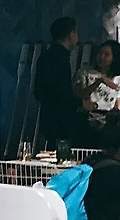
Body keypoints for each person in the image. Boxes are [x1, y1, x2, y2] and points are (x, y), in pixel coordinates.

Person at [34, 16, 84, 149]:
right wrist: (81, 103)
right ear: (71, 34)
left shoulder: (45, 56)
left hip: (48, 117)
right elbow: (62, 92)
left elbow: (38, 92)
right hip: (61, 119)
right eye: (76, 32)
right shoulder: (61, 59)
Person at [77, 40, 120, 125]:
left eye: (106, 54)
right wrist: (99, 81)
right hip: (88, 118)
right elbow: (82, 95)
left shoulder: (118, 79)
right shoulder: (85, 73)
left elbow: (118, 106)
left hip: (108, 120)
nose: (102, 57)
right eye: (100, 53)